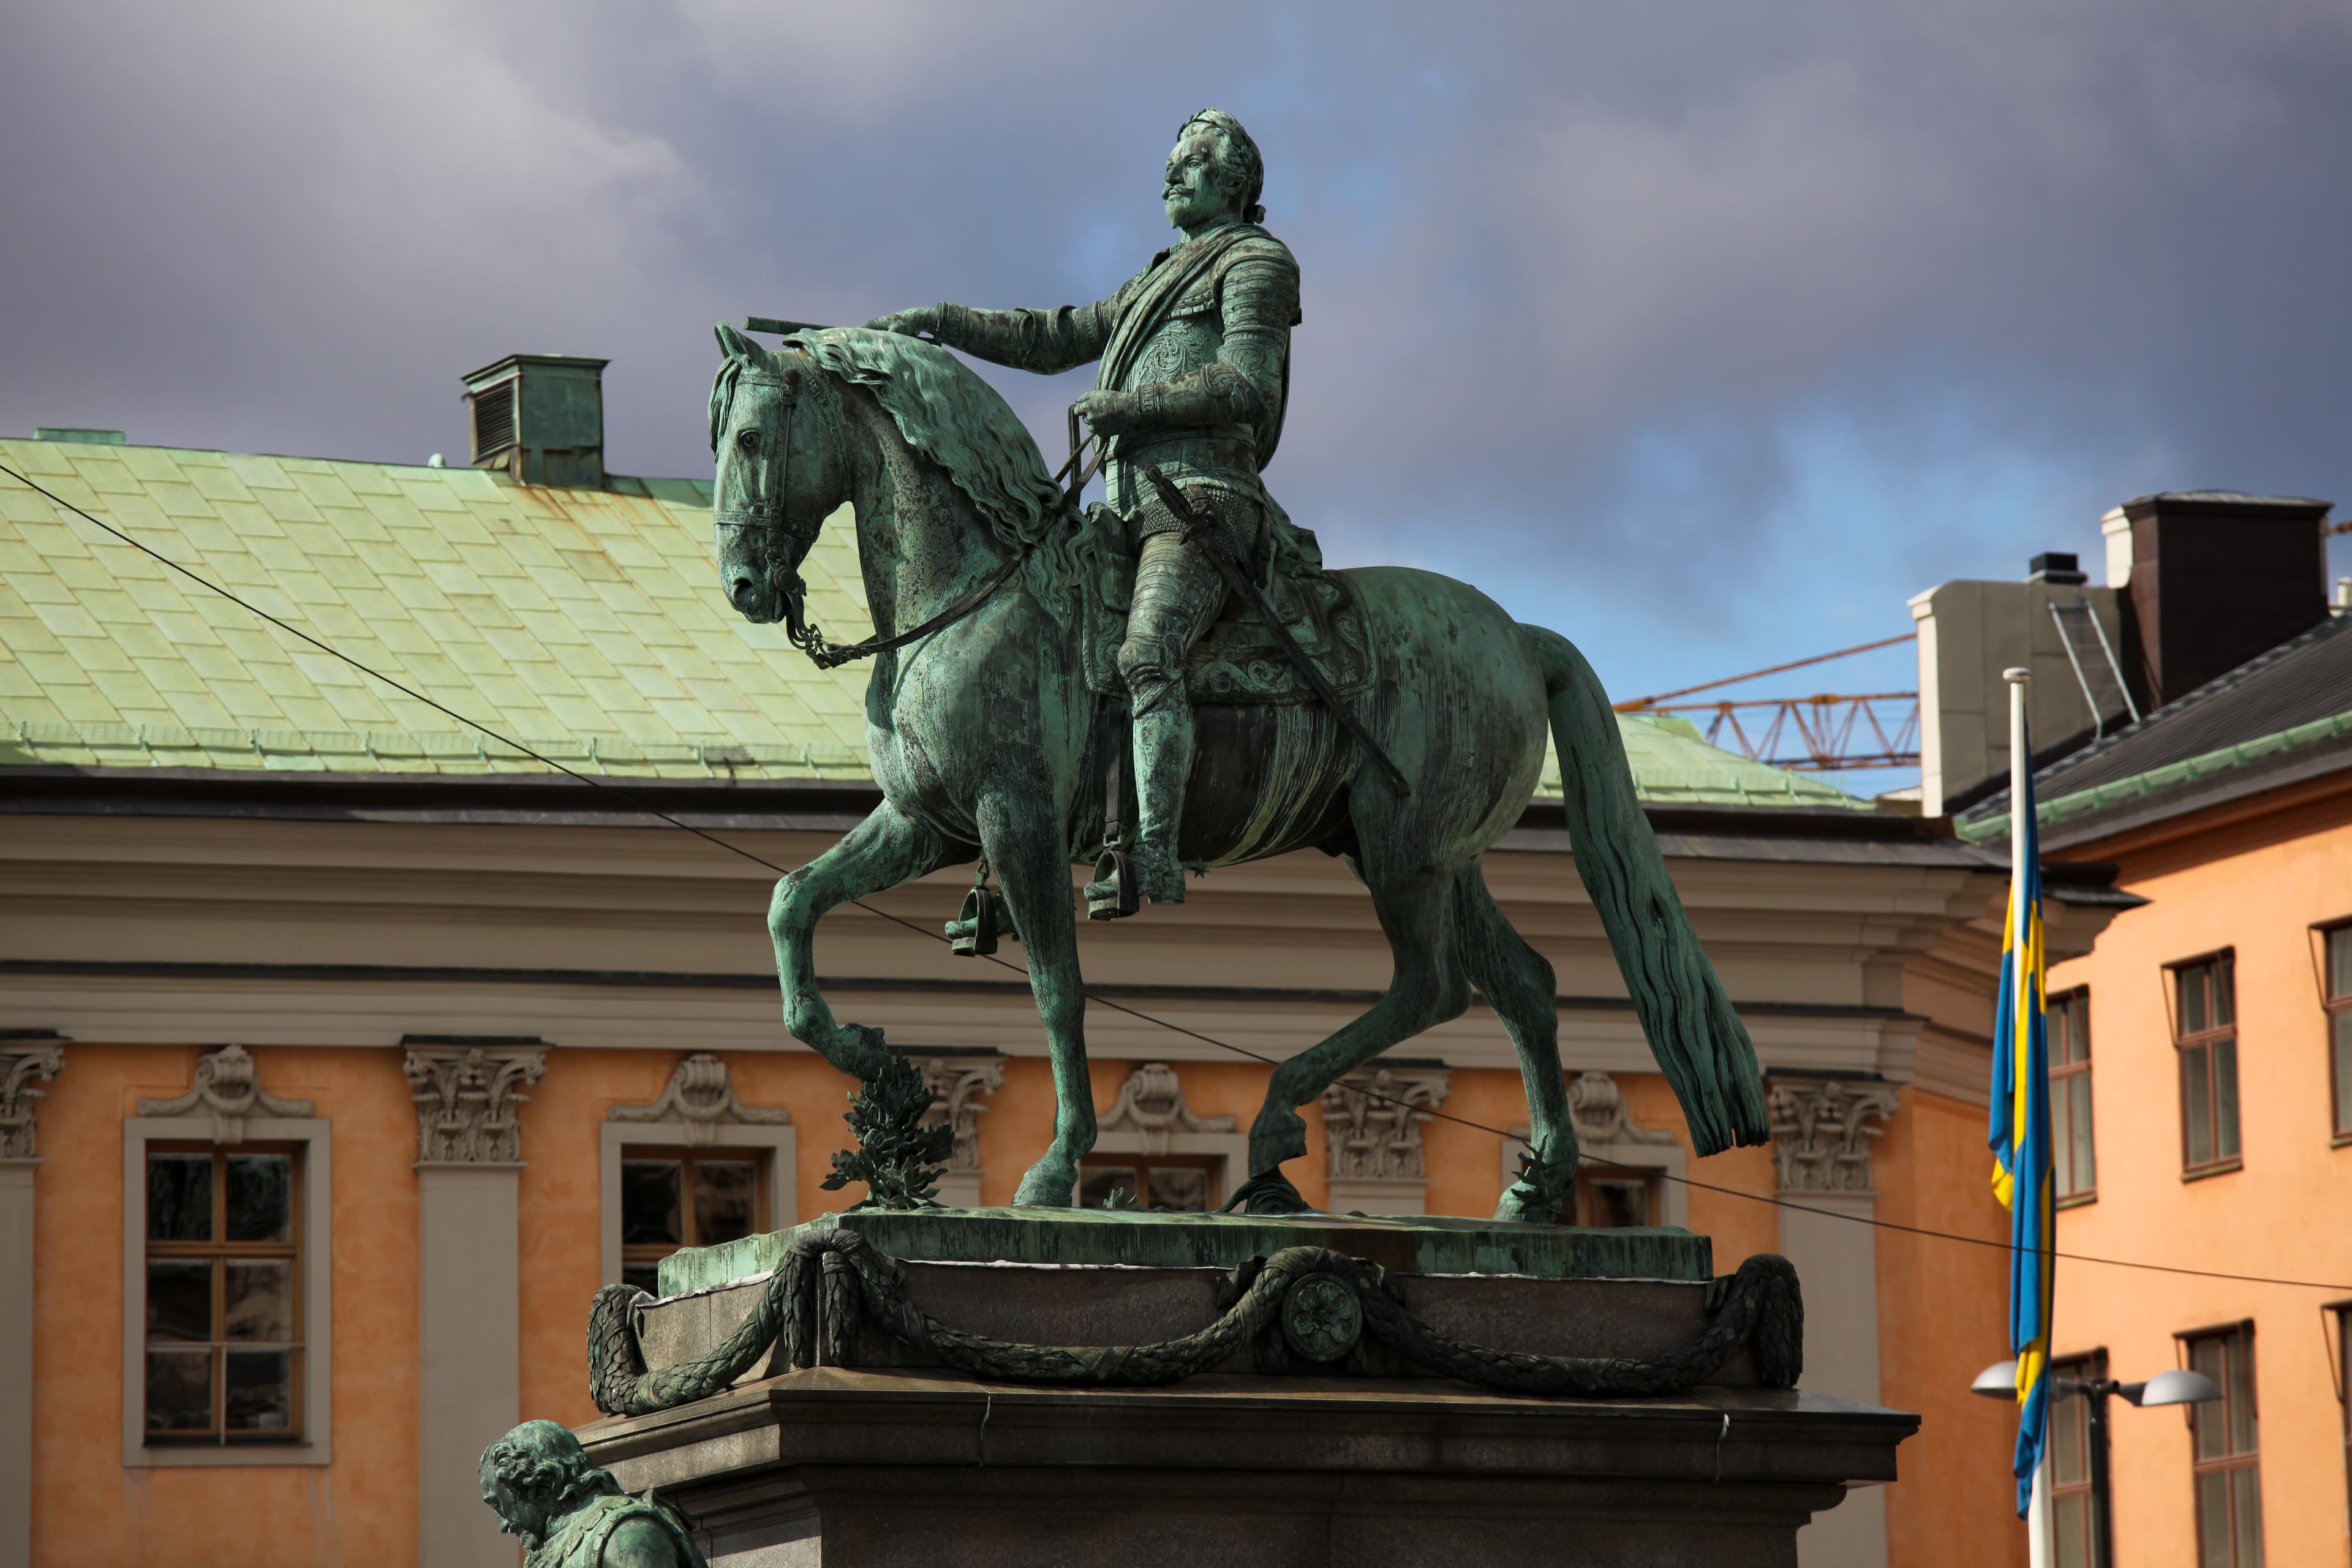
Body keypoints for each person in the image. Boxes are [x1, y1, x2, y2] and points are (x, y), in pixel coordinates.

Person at [867, 107, 1313, 908]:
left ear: (1240, 184)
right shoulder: (1151, 280)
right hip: (1127, 511)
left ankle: (1154, 851)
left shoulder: (1257, 263)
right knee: (1039, 645)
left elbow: (1250, 385)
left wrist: (1134, 407)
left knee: (1146, 653)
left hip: (1203, 503)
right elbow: (1053, 336)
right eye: (1172, 160)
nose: (1174, 173)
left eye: (1197, 160)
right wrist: (942, 323)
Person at [478, 1419, 707, 1568]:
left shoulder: (626, 1532)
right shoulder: (545, 1552)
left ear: (539, 1484)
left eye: (500, 1506)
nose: (504, 1525)